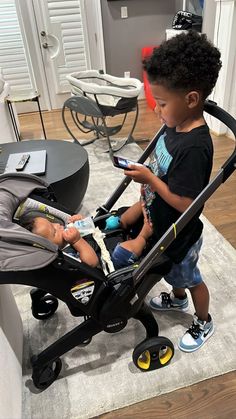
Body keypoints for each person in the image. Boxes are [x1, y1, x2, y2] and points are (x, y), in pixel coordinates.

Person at [112, 30, 222, 352]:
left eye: (161, 103)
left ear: (190, 99)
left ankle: (203, 319)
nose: (156, 111)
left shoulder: (195, 147)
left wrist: (150, 180)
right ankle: (176, 300)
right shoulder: (174, 127)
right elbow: (162, 170)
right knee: (168, 272)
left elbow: (187, 202)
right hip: (162, 223)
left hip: (181, 232)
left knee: (188, 277)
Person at [20, 212, 99, 268]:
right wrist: (77, 241)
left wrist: (82, 222)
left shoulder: (69, 235)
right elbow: (92, 263)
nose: (58, 225)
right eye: (54, 232)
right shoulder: (67, 256)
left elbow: (91, 230)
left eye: (52, 223)